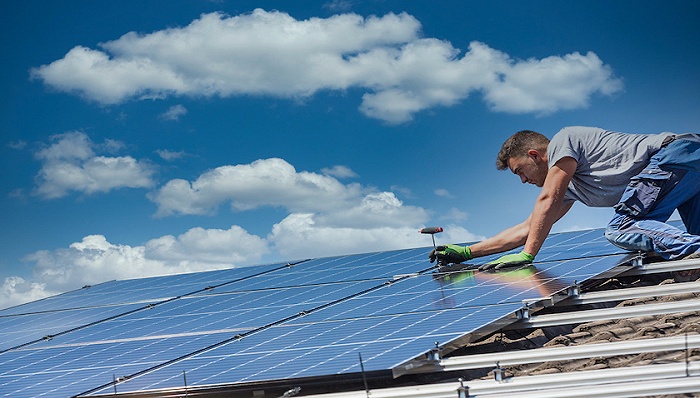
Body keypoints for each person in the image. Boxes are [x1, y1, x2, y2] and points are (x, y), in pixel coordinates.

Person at [430, 126, 700, 271]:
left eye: (520, 171)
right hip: (689, 170)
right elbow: (529, 227)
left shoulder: (563, 141)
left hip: (676, 156)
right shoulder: (572, 188)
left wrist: (527, 255)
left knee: (621, 228)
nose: (523, 181)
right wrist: (467, 252)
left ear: (534, 155)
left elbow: (547, 199)